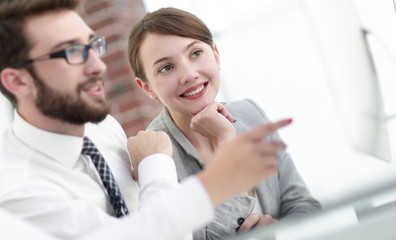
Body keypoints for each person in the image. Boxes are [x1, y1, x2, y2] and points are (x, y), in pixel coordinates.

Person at [0, 1, 291, 239]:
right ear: (18, 81)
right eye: (73, 53)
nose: (97, 66)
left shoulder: (104, 128)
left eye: (92, 46)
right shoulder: (14, 191)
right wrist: (159, 168)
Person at [127, 7, 322, 239]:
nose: (189, 74)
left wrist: (279, 233)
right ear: (147, 87)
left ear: (216, 55)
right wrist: (226, 142)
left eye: (195, 53)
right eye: (166, 68)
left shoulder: (249, 113)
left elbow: (303, 204)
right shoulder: (154, 160)